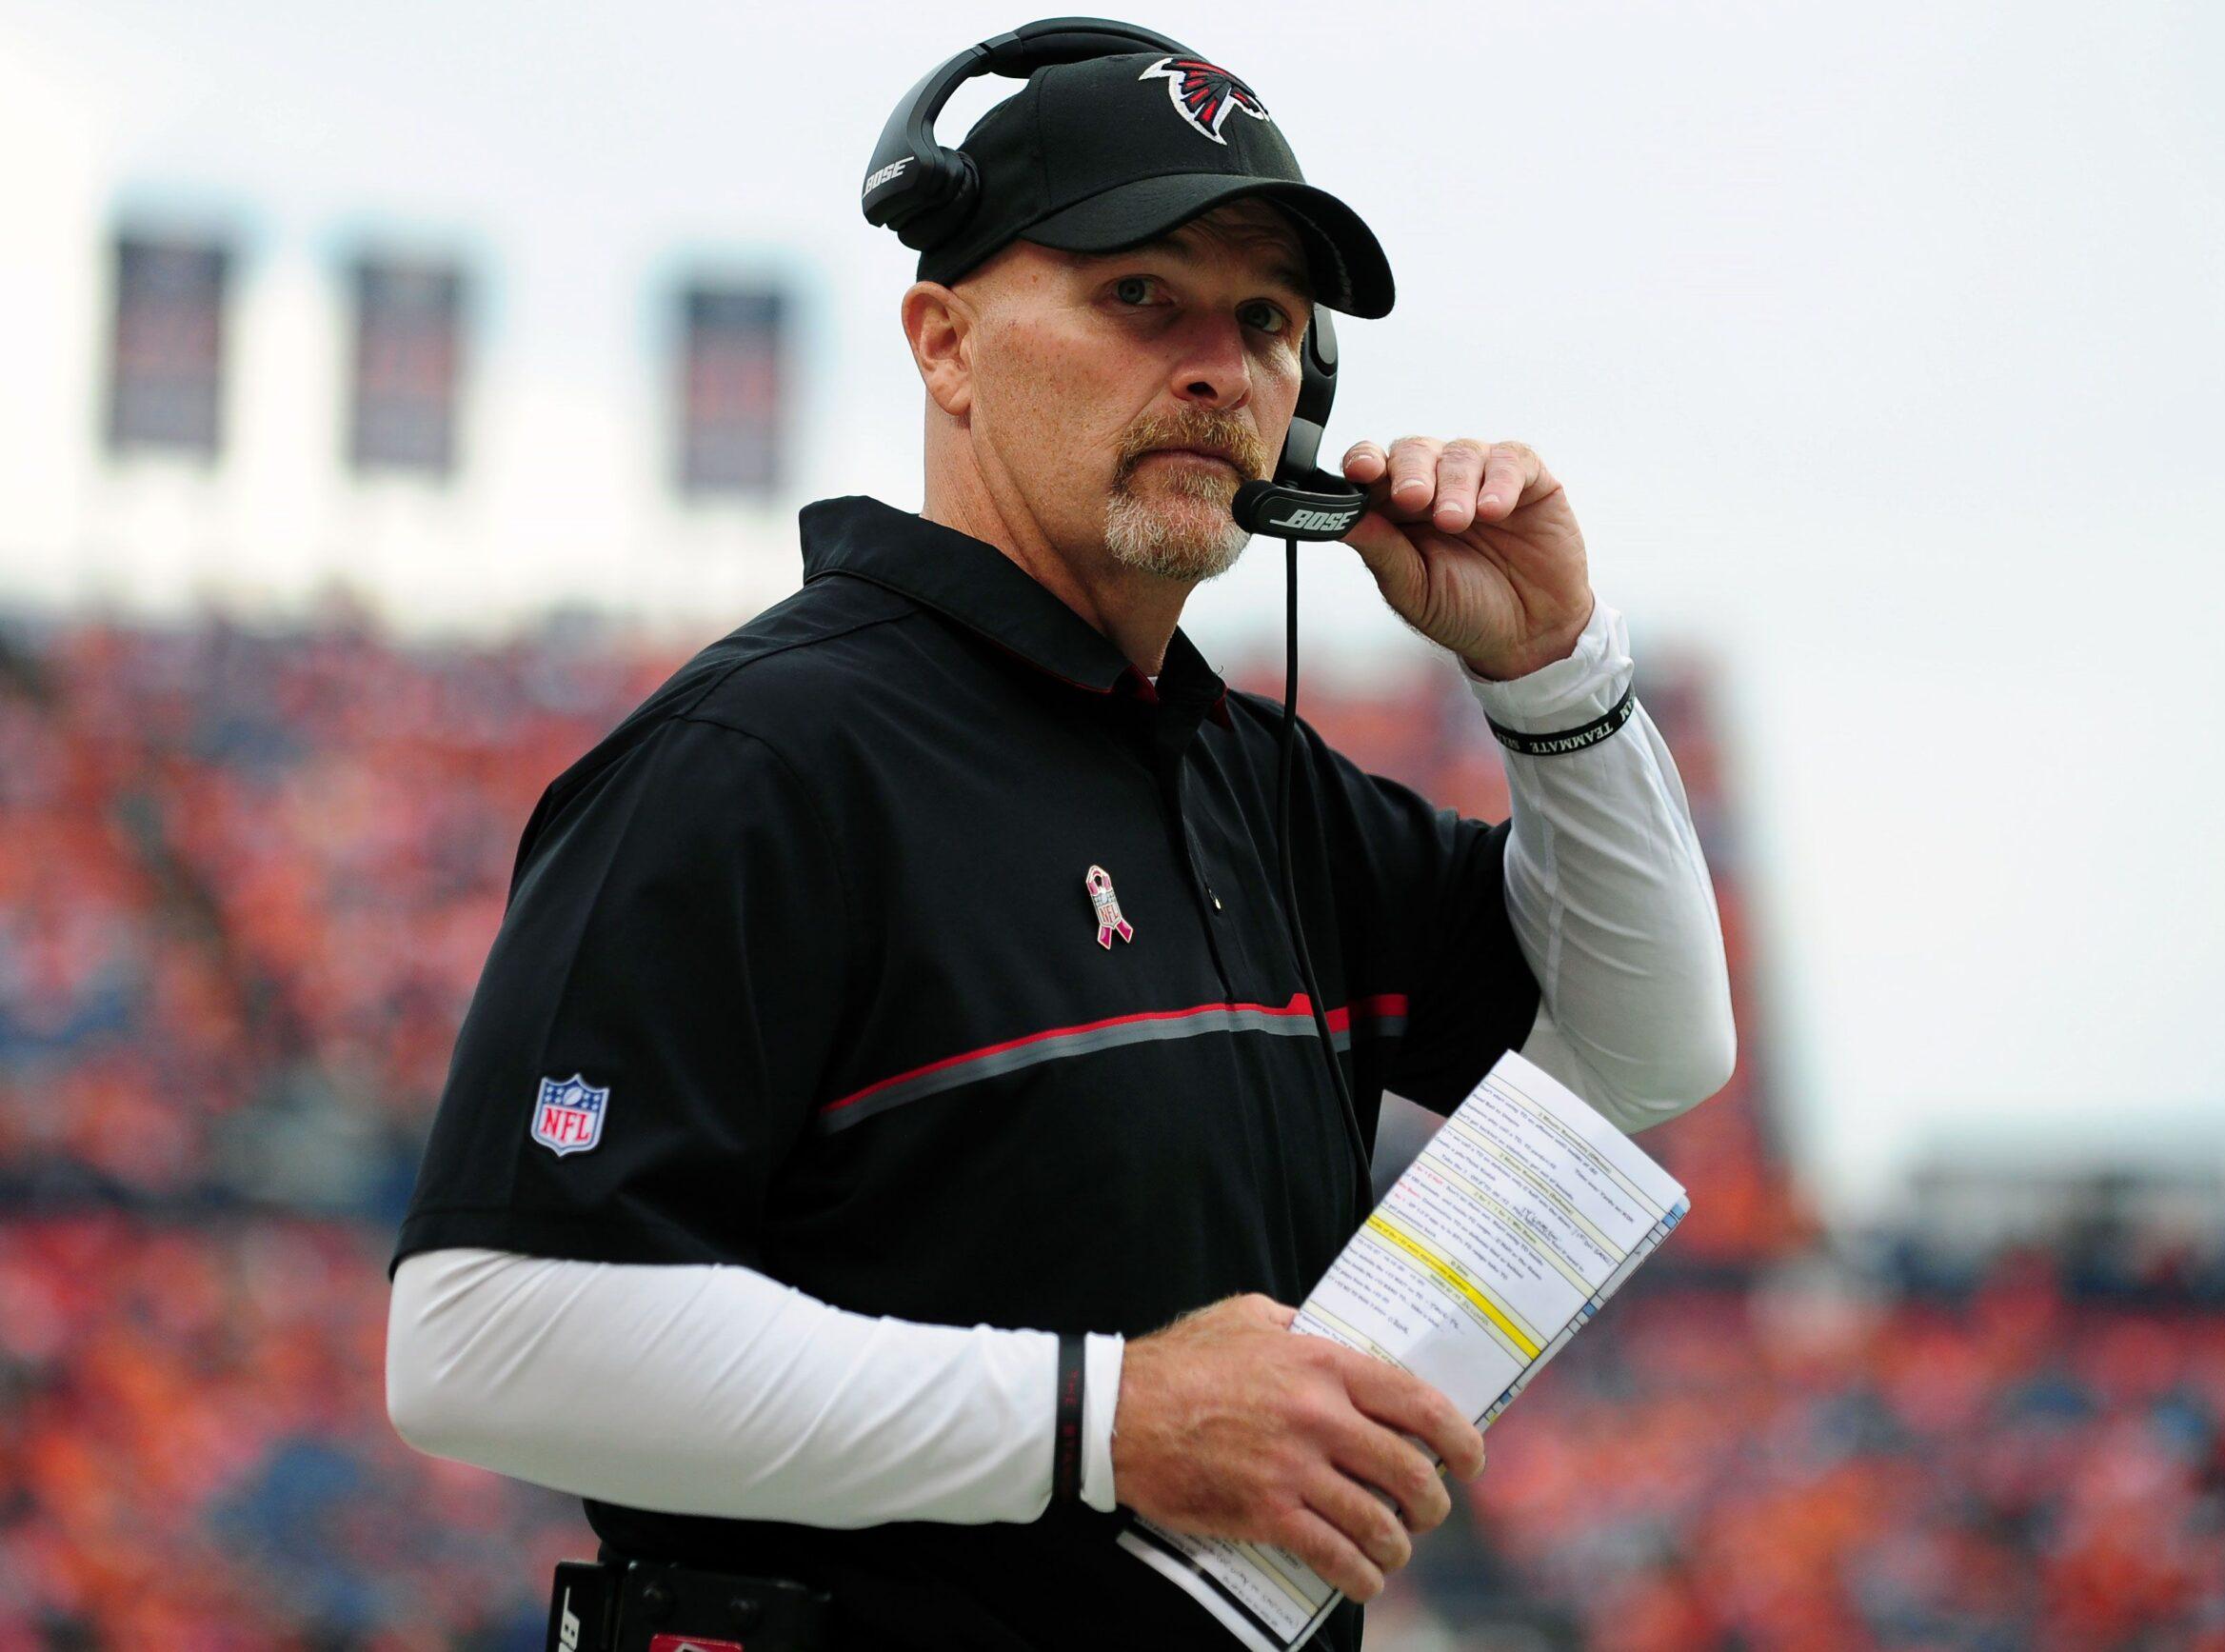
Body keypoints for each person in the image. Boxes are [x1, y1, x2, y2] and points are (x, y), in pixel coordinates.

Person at [384, 43, 1736, 1652]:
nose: (1220, 370)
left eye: (1267, 322)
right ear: (944, 344)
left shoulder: (1256, 783)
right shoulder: (759, 759)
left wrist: (1556, 672)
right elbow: (478, 1336)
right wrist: (1109, 1419)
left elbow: (1650, 1051)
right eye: (1139, 295)